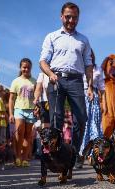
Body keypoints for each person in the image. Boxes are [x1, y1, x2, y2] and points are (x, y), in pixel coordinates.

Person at [39, 2, 93, 166]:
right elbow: (42, 61)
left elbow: (88, 64)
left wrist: (90, 86)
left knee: (81, 118)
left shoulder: (83, 39)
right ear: (62, 16)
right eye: (68, 17)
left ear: (78, 18)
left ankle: (74, 154)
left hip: (76, 80)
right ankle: (55, 154)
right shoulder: (52, 36)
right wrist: (50, 74)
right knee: (57, 119)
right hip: (56, 79)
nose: (71, 20)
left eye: (74, 17)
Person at [9, 58, 36, 167]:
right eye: (24, 67)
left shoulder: (34, 81)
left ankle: (25, 158)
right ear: (20, 68)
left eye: (28, 67)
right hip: (19, 109)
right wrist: (11, 114)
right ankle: (18, 156)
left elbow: (37, 97)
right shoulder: (16, 81)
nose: (26, 69)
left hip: (31, 110)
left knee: (28, 135)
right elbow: (11, 98)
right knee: (19, 132)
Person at [79, 49, 104, 165]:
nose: (90, 57)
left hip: (93, 97)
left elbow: (101, 87)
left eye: (91, 55)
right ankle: (80, 153)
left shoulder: (98, 69)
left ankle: (93, 154)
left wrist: (104, 103)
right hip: (80, 95)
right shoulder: (79, 67)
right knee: (82, 125)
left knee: (94, 124)